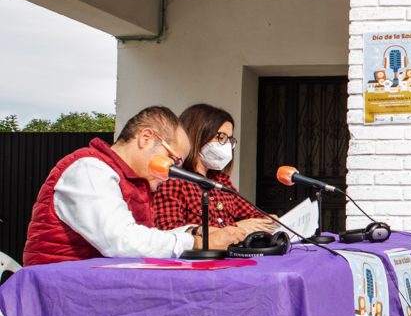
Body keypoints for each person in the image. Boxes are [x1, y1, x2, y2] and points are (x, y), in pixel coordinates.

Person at [24, 106, 246, 266]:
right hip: (59, 289)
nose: (172, 171)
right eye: (174, 160)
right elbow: (121, 241)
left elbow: (143, 236)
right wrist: (197, 243)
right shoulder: (90, 169)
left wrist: (197, 232)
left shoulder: (132, 181)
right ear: (146, 138)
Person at [152, 104, 276, 234]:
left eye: (229, 139)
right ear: (197, 135)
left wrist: (268, 221)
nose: (226, 145)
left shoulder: (221, 181)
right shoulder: (172, 180)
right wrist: (234, 229)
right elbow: (170, 232)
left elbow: (253, 215)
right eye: (221, 137)